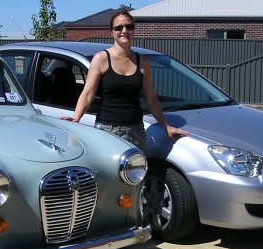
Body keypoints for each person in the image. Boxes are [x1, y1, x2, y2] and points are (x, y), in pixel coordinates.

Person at [60, 10, 188, 150]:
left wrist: (166, 127)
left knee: (135, 171)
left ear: (133, 30)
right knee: (108, 172)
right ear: (111, 32)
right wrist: (76, 119)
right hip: (107, 131)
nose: (124, 31)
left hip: (136, 131)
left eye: (129, 26)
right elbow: (88, 94)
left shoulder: (142, 61)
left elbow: (151, 99)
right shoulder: (101, 59)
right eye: (118, 27)